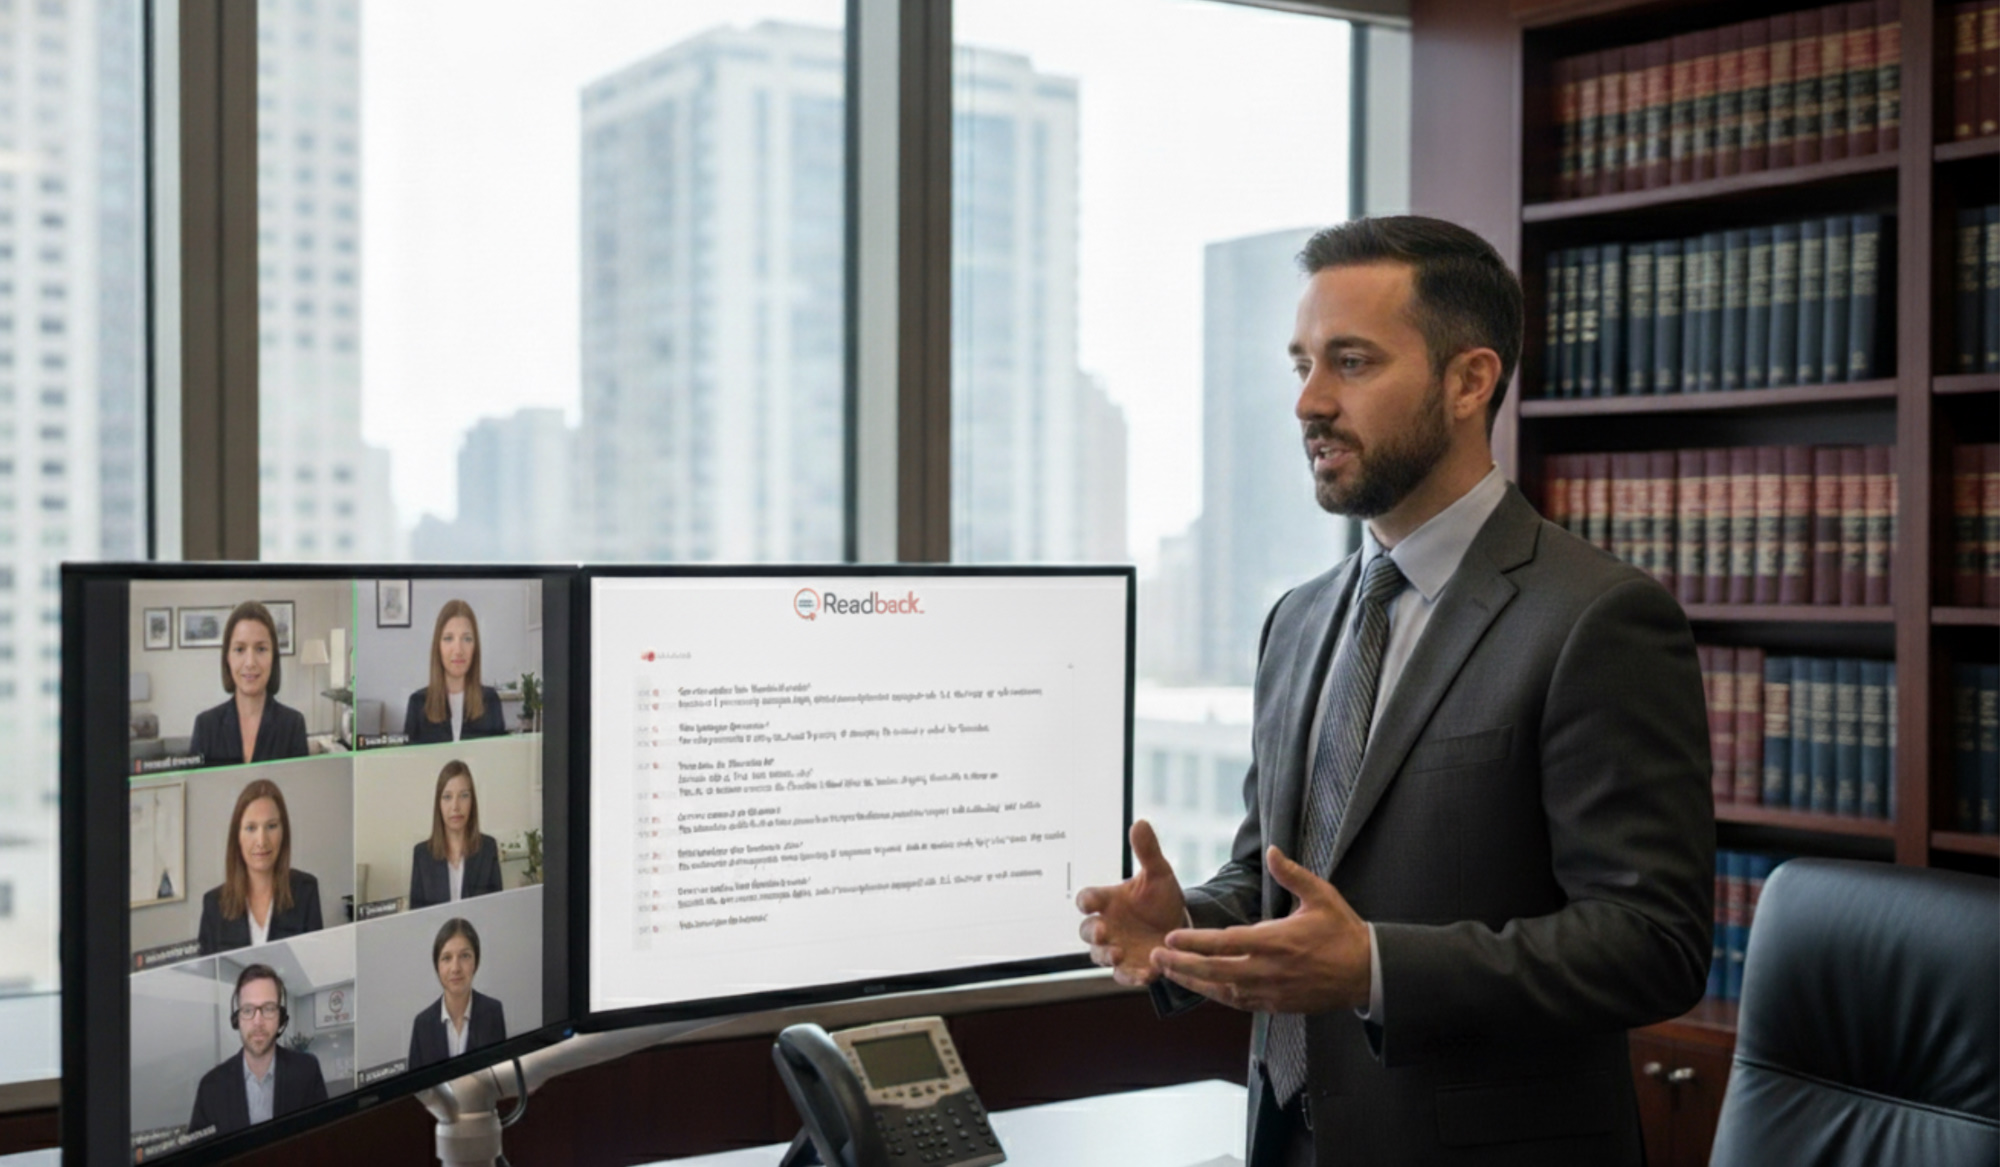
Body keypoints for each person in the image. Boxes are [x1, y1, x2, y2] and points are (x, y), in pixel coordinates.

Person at [1075, 216, 1711, 1166]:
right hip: (1288, 1137)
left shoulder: (1598, 618)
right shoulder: (1297, 619)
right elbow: (1275, 876)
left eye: (1352, 362)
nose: (1309, 403)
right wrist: (1189, 925)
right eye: (1301, 366)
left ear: (1469, 380)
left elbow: (1651, 942)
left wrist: (1374, 966)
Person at [186, 963, 328, 1137]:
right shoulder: (211, 1087)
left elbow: (323, 1141)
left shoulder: (307, 1070)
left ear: (281, 1018)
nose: (258, 1021)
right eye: (248, 1010)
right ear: (236, 1019)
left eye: (268, 1009)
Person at [197, 778, 323, 955]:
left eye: (271, 826)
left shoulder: (306, 891)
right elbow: (209, 979)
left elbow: (314, 967)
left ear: (283, 833)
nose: (262, 841)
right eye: (250, 828)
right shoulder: (213, 904)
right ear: (237, 837)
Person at [188, 601, 309, 766]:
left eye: (261, 649)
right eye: (239, 649)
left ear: (273, 657)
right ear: (227, 658)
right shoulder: (205, 726)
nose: (250, 662)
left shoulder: (293, 724)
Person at [407, 917, 508, 1070]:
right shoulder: (422, 1024)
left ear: (476, 961)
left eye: (464, 956)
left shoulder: (493, 1011)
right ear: (437, 966)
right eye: (446, 958)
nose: (455, 968)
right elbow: (415, 1091)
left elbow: (500, 1077)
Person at [403, 600, 507, 744]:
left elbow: (498, 761)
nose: (458, 650)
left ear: (475, 647)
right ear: (437, 647)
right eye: (448, 638)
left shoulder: (490, 701)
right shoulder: (418, 704)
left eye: (467, 639)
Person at [407, 759, 503, 911]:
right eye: (447, 797)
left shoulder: (488, 848)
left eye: (464, 796)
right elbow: (417, 920)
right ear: (439, 804)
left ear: (473, 801)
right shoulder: (422, 855)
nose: (455, 807)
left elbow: (496, 911)